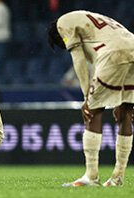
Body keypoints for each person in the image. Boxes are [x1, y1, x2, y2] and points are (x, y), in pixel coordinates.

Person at [47, 10, 134, 187]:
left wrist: (87, 98)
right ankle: (117, 177)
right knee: (125, 112)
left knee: (92, 112)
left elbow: (79, 60)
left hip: (114, 53)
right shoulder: (89, 19)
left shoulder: (63, 23)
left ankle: (91, 176)